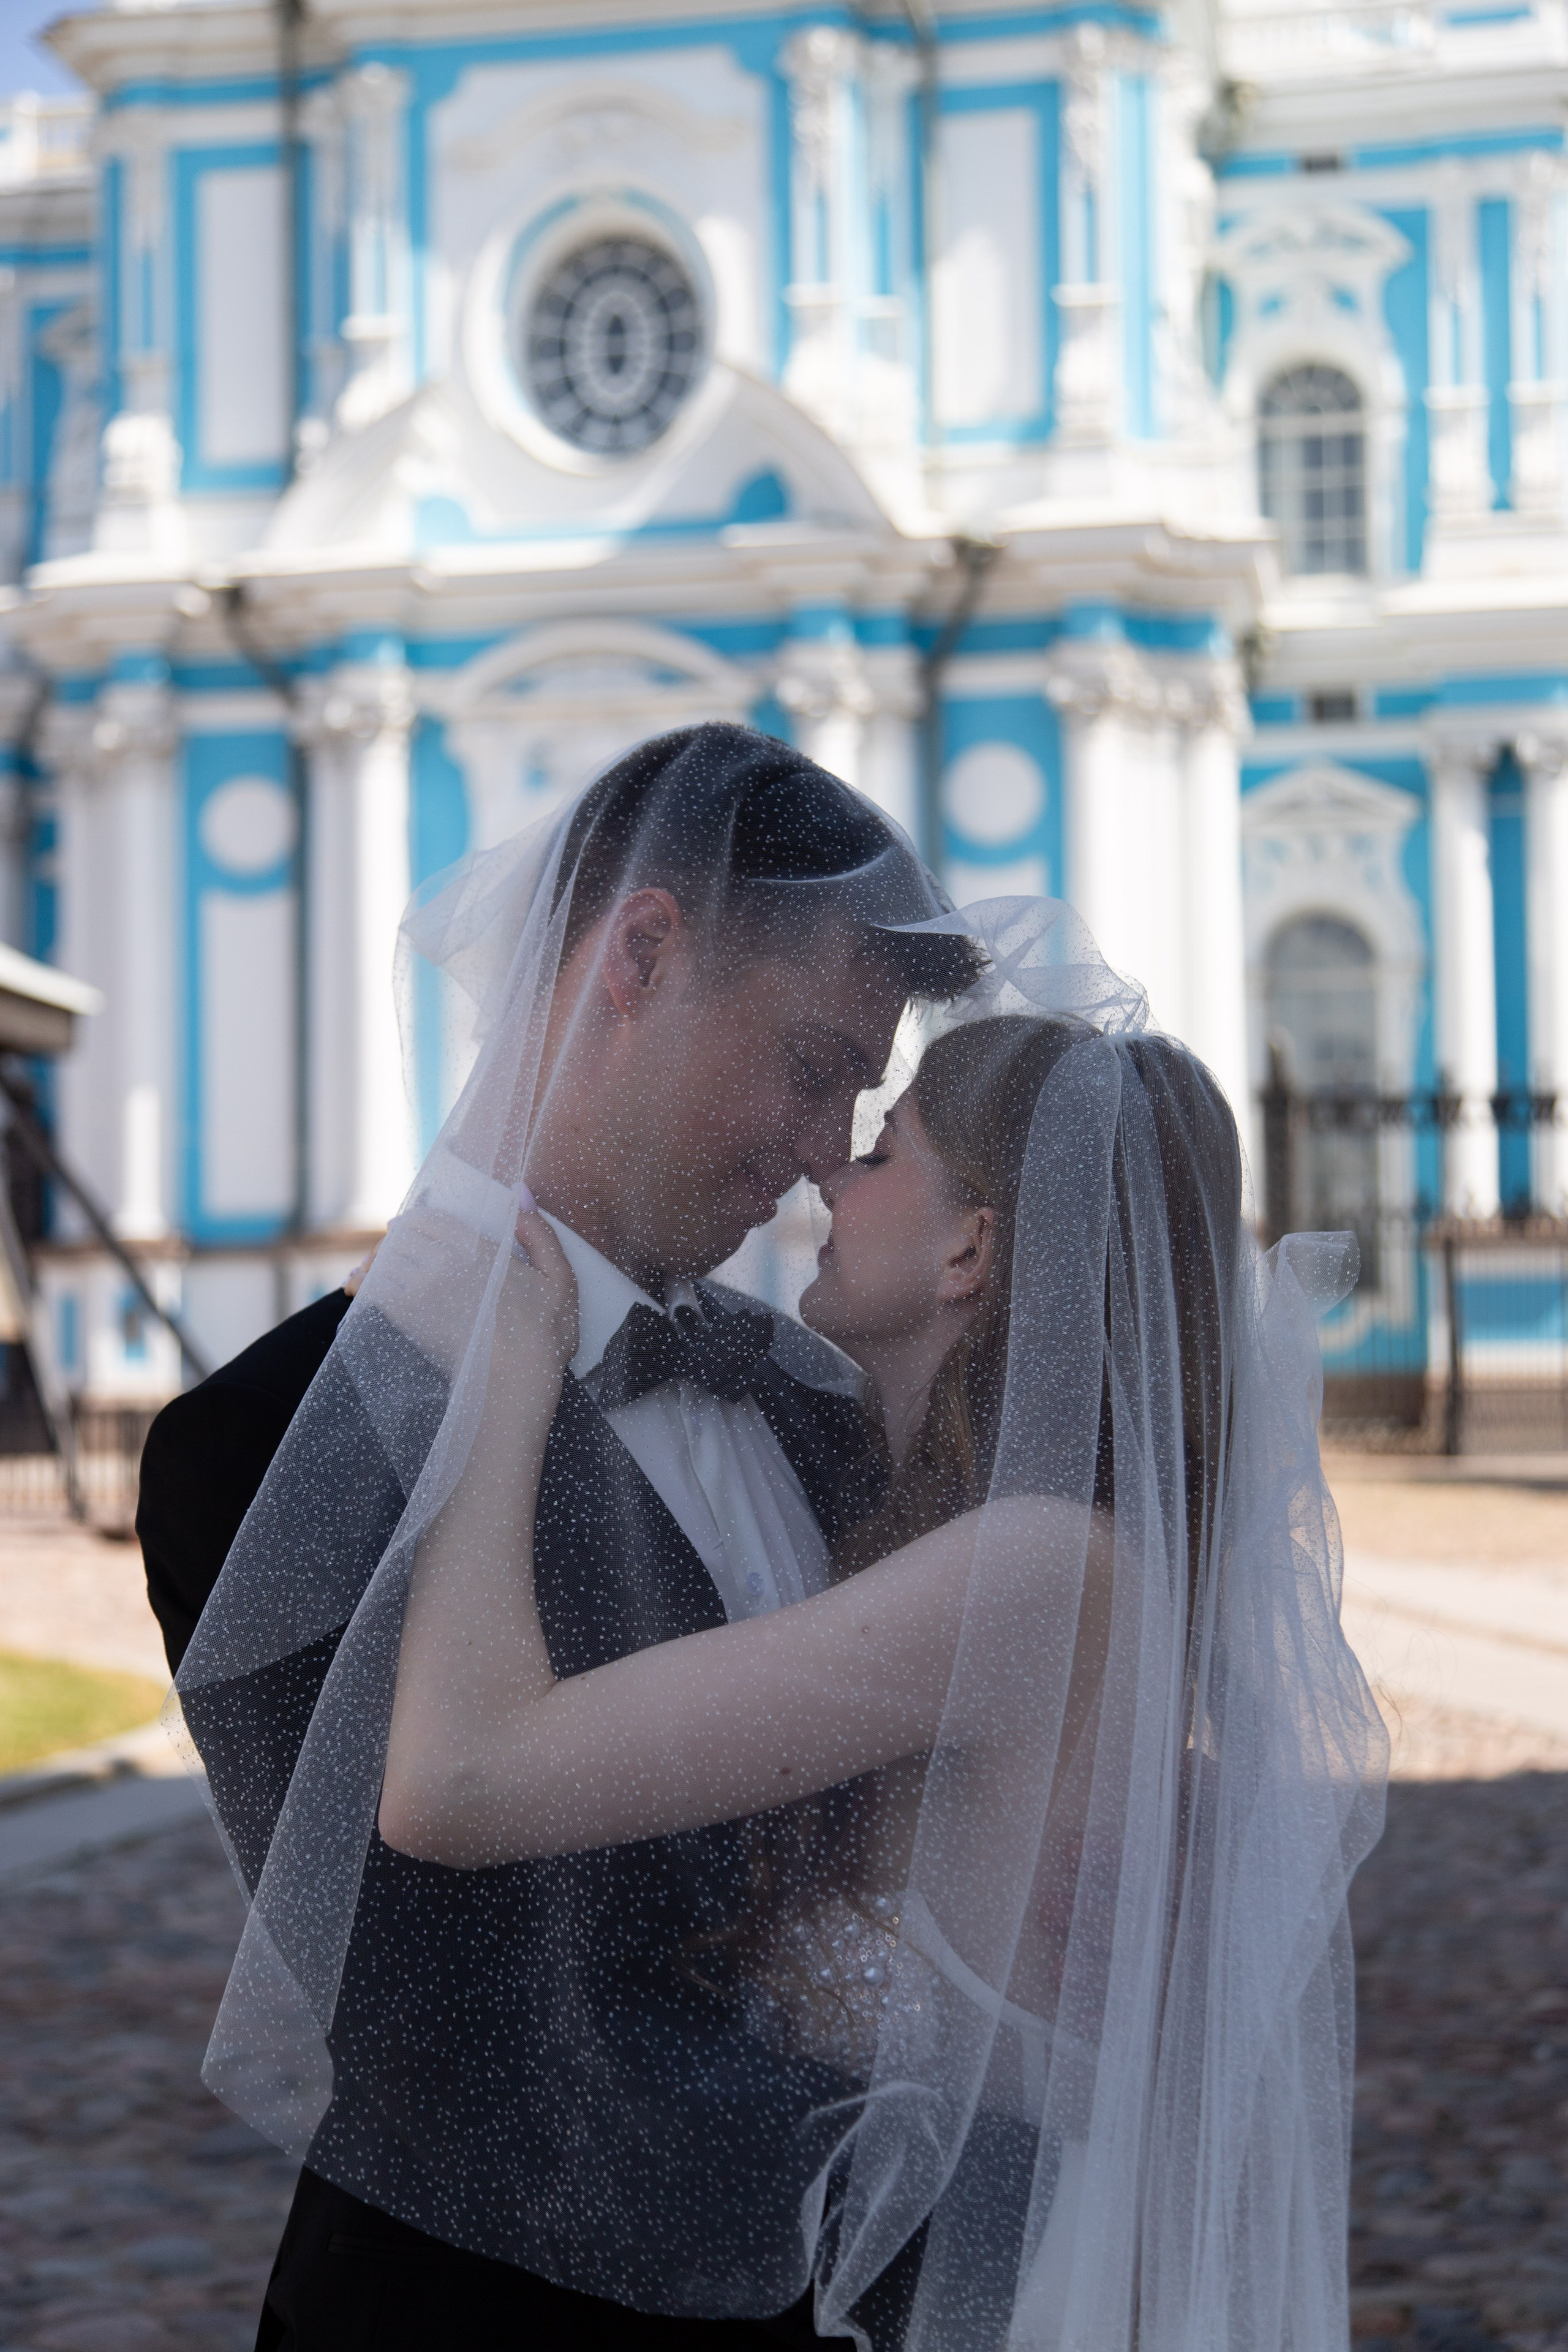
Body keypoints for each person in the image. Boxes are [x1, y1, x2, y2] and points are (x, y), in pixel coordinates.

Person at [372, 986, 1390, 2350]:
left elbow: (456, 1778)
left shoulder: (1029, 1566)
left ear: (972, 1245)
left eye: (882, 1146)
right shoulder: (970, 1528)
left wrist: (504, 1382)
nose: (825, 1172)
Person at [145, 722, 980, 2349]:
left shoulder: (820, 1411)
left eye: (861, 1102)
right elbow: (461, 2016)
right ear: (642, 957)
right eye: (813, 1066)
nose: (828, 1152)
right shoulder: (261, 1442)